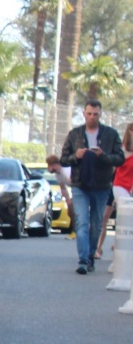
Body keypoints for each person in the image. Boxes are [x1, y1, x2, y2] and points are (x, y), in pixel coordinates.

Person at [60, 99, 125, 274]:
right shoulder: (74, 134)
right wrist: (77, 155)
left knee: (96, 225)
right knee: (82, 222)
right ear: (84, 114)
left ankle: (90, 256)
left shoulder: (110, 134)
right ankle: (83, 260)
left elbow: (119, 158)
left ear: (100, 114)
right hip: (80, 184)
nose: (92, 117)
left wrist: (103, 156)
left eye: (95, 114)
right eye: (89, 114)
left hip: (102, 185)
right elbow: (63, 159)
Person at [95, 122, 133, 259]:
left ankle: (119, 244)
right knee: (105, 217)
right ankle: (97, 249)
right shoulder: (122, 150)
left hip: (130, 188)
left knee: (126, 218)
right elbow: (112, 166)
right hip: (116, 185)